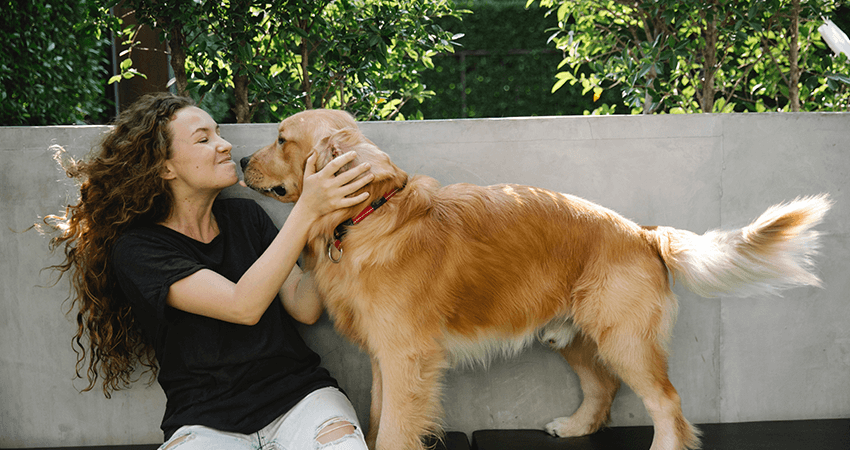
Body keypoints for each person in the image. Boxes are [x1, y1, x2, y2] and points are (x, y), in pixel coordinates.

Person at [40, 92, 374, 449]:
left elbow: (304, 306)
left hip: (301, 399)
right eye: (204, 139)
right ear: (164, 167)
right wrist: (308, 208)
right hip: (205, 424)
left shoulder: (246, 217)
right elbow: (242, 306)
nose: (225, 145)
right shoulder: (138, 249)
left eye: (219, 133)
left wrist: (335, 222)